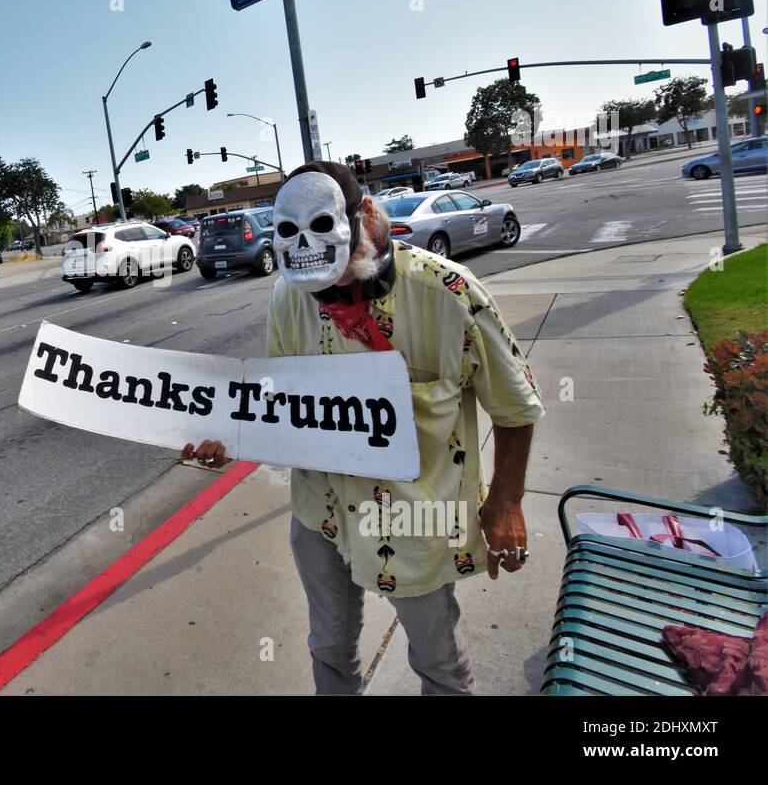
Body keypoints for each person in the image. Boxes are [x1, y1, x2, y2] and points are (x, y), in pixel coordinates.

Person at [183, 160, 543, 695]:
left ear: (366, 219)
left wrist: (507, 501)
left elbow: (515, 406)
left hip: (417, 519)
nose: (329, 300)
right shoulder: (287, 295)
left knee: (438, 662)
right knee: (328, 650)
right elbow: (282, 404)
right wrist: (230, 438)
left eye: (339, 276)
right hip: (320, 511)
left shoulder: (449, 292)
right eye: (318, 290)